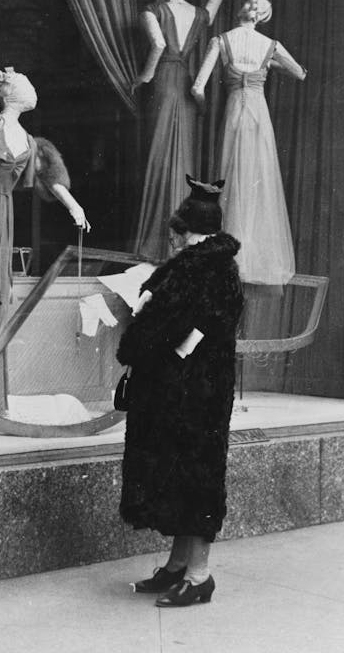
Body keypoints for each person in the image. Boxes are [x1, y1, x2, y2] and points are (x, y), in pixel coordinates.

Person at [117, 176, 244, 607]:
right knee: (183, 477)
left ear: (186, 231)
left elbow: (185, 328)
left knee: (197, 478)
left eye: (177, 233)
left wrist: (147, 336)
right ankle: (177, 566)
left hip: (196, 394)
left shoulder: (206, 270)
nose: (172, 240)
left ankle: (199, 575)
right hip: (184, 391)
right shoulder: (202, 267)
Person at [0, 67, 90, 407]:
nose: (32, 89)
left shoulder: (29, 141)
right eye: (25, 83)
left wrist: (74, 206)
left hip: (3, 216)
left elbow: (49, 176)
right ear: (11, 93)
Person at [191, 0, 306, 286]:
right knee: (256, 180)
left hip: (234, 114)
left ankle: (230, 258)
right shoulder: (270, 46)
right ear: (261, 16)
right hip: (258, 116)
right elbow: (299, 73)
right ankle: (249, 257)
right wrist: (268, 65)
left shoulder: (221, 41)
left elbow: (197, 88)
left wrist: (201, 109)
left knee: (231, 179)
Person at [132, 0, 224, 260]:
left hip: (163, 82)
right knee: (182, 157)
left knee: (158, 154)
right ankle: (179, 240)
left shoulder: (152, 11)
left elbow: (159, 45)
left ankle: (155, 241)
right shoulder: (199, 14)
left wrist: (143, 77)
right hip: (184, 82)